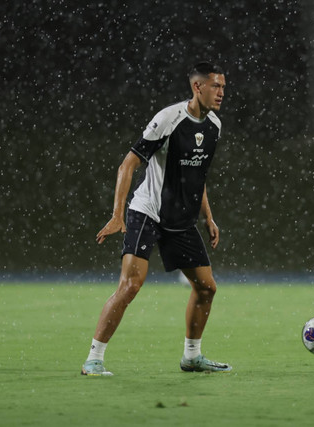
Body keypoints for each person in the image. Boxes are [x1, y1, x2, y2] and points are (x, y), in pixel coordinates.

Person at [81, 62, 231, 376]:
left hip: (181, 221)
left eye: (223, 86)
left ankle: (192, 357)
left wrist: (209, 217)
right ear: (197, 87)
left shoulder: (214, 125)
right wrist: (116, 215)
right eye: (215, 86)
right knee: (130, 286)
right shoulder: (168, 119)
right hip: (147, 212)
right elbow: (127, 165)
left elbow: (198, 176)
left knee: (206, 288)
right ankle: (93, 359)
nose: (221, 92)